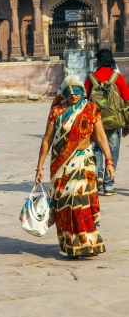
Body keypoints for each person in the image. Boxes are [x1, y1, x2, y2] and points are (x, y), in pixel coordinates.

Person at [35, 75, 115, 259]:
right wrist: (39, 167)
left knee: (80, 202)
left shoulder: (90, 109)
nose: (74, 96)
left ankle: (87, 242)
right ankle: (70, 242)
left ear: (82, 92)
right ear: (64, 93)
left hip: (83, 161)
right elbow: (47, 140)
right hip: (61, 165)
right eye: (70, 92)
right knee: (65, 206)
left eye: (77, 92)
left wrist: (109, 161)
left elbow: (101, 137)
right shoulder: (56, 112)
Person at [85, 49, 129, 195]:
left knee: (97, 148)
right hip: (114, 121)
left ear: (98, 61)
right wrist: (127, 123)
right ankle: (109, 185)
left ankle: (97, 175)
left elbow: (85, 99)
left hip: (96, 120)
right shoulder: (118, 77)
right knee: (113, 151)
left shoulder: (91, 77)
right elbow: (127, 100)